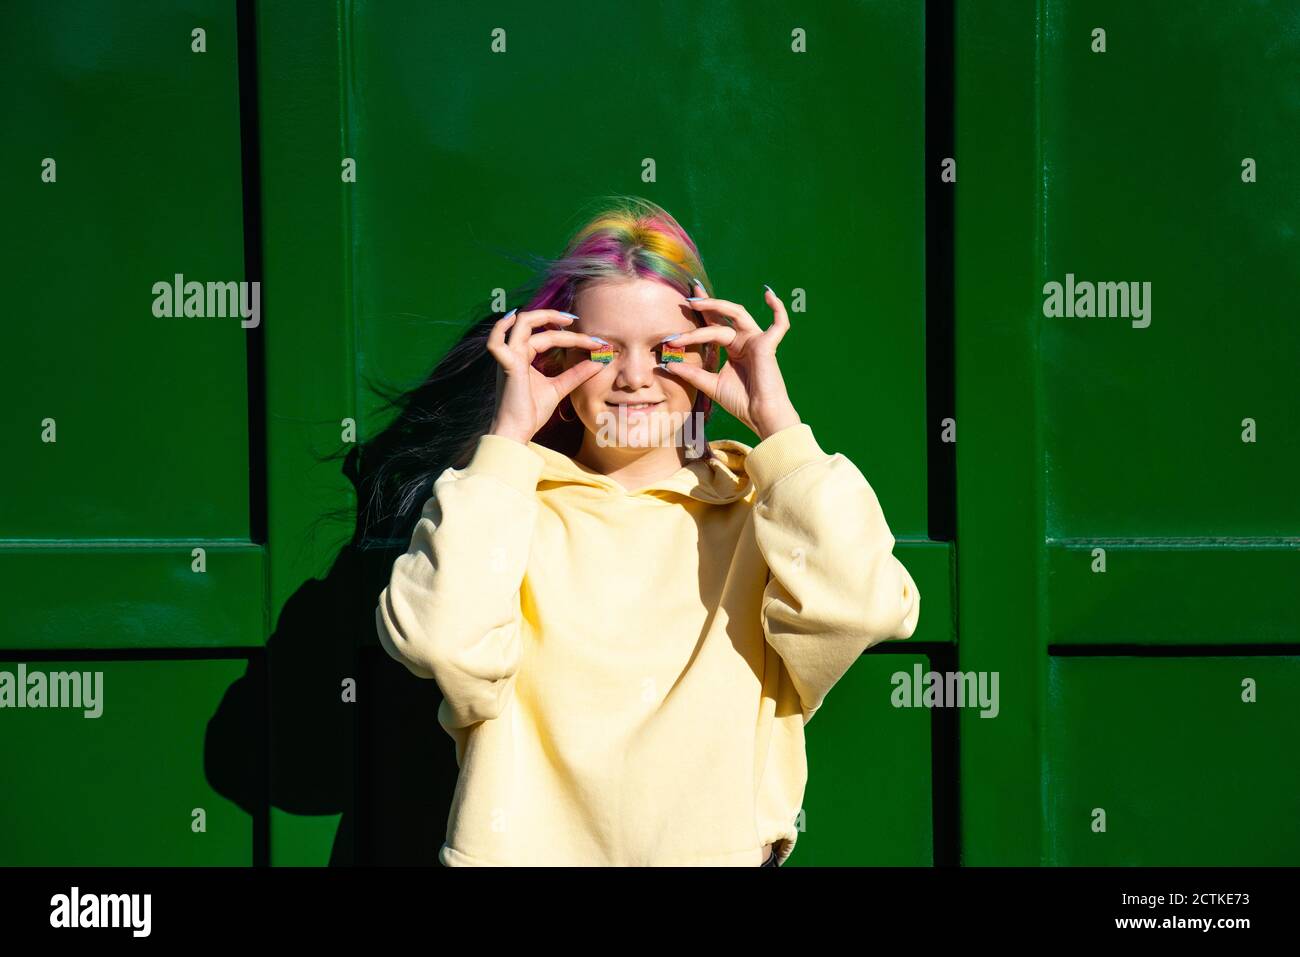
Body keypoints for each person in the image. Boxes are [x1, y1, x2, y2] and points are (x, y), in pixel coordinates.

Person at [374, 196, 920, 866]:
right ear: (558, 354)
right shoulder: (508, 501)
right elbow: (438, 641)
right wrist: (507, 439)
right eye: (603, 350)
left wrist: (779, 423)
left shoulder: (763, 506)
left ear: (709, 352)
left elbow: (866, 604)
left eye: (665, 350)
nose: (635, 378)